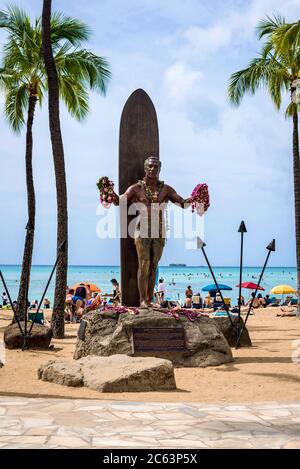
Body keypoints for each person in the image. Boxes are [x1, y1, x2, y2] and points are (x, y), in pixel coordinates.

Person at [112, 155, 191, 308]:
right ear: (145, 168)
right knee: (144, 263)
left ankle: (149, 299)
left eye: (156, 166)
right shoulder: (136, 189)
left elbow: (183, 203)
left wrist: (196, 198)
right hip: (142, 228)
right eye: (150, 166)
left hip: (159, 230)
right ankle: (142, 300)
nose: (153, 169)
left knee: (154, 265)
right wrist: (108, 191)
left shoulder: (166, 189)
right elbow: (119, 201)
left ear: (160, 169)